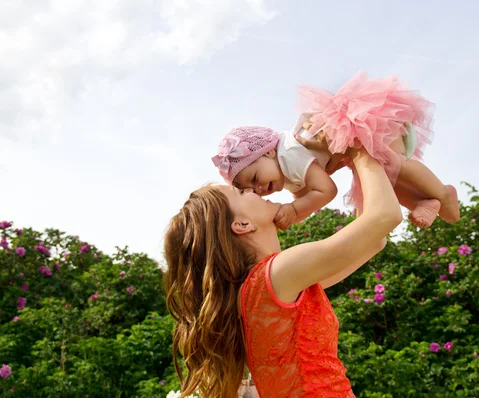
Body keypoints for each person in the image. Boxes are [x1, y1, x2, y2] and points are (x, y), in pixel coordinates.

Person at [163, 137, 403, 397]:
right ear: (242, 224)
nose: (253, 191)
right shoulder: (279, 274)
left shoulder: (268, 287)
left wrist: (355, 169)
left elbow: (374, 240)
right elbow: (385, 216)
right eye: (242, 193)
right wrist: (360, 146)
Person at [212, 71, 460, 230]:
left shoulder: (288, 154)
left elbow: (326, 189)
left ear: (267, 152)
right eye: (251, 189)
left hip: (367, 123)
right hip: (357, 145)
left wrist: (294, 211)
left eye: (255, 178)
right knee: (384, 181)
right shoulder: (285, 176)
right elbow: (306, 196)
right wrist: (292, 215)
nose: (258, 189)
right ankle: (424, 201)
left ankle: (442, 192)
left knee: (392, 163)